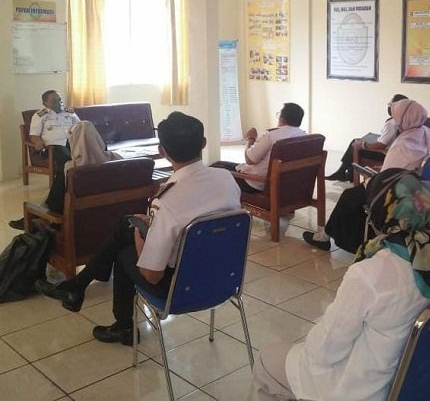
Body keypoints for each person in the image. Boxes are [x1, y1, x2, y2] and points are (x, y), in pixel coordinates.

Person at [253, 170, 430, 401]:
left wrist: (313, 336)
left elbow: (324, 352)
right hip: (416, 382)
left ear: (380, 214)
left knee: (266, 361)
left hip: (363, 389)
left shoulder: (369, 274)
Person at [35, 112, 241, 345]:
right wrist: (154, 223)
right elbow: (202, 216)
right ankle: (78, 288)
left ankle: (119, 323)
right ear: (203, 143)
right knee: (126, 223)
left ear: (162, 151)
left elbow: (152, 275)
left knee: (124, 250)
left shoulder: (167, 201)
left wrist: (139, 234)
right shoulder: (226, 179)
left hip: (181, 288)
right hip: (224, 278)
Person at [303, 99, 430, 252]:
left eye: (397, 117)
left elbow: (388, 177)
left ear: (404, 119)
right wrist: (383, 170)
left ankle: (326, 237)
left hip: (399, 196)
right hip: (424, 194)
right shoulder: (429, 135)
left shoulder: (404, 144)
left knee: (349, 196)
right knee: (355, 194)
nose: (396, 122)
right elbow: (404, 167)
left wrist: (375, 174)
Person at [9, 120, 121, 229]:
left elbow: (56, 204)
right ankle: (38, 214)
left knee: (56, 191)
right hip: (112, 217)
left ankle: (37, 215)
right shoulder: (117, 160)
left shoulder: (71, 169)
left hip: (77, 223)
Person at [212, 102, 306, 192]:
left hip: (257, 183)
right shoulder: (305, 137)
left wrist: (251, 138)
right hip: (286, 184)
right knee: (220, 164)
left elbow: (249, 159)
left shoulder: (272, 136)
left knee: (214, 170)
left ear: (283, 119)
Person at [325, 94, 408, 182]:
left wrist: (363, 144)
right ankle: (346, 174)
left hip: (383, 155)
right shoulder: (406, 121)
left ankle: (343, 173)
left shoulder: (391, 123)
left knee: (355, 144)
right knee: (356, 142)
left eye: (390, 104)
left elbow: (381, 145)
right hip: (394, 153)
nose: (389, 107)